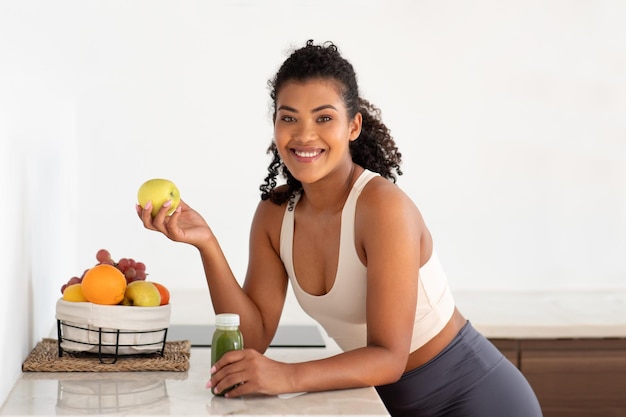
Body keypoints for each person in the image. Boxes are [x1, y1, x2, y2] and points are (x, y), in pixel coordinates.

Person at [138, 40, 543, 417]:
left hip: (473, 398)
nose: (304, 135)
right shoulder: (275, 214)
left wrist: (286, 376)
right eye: (289, 118)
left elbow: (389, 356)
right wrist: (206, 244)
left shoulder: (383, 209)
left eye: (324, 118)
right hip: (382, 405)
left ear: (353, 126)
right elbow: (253, 337)